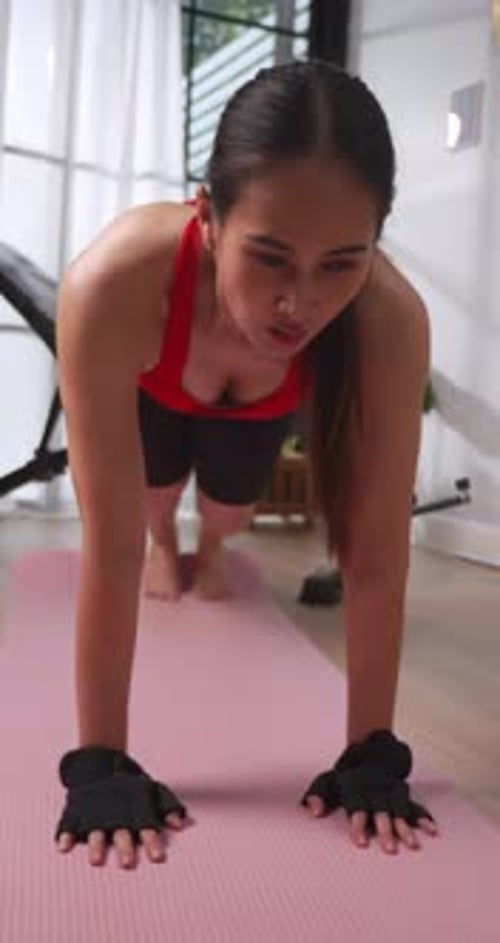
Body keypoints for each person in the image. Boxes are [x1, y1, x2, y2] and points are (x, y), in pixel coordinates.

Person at [54, 59, 438, 870]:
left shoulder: (388, 318)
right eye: (269, 256)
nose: (300, 302)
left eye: (341, 261)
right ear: (210, 215)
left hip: (256, 407)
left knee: (224, 513)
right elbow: (107, 548)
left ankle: (211, 543)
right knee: (151, 508)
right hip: (161, 391)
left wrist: (371, 750)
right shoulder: (112, 284)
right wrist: (101, 763)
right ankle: (176, 540)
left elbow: (374, 554)